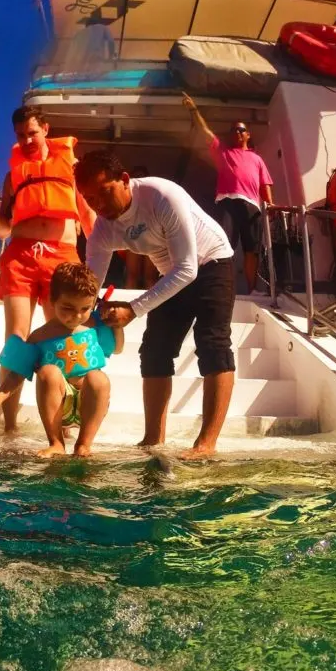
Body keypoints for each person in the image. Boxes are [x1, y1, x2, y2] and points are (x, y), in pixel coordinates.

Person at [74, 150, 236, 458]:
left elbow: (188, 268)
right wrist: (72, 324)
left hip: (212, 261)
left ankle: (206, 444)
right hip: (170, 273)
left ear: (124, 180)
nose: (99, 206)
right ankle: (152, 439)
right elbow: (89, 287)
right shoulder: (104, 229)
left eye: (104, 193)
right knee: (153, 350)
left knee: (213, 343)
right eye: (90, 200)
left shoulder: (161, 195)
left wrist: (134, 309)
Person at [0, 106, 96, 435]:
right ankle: (9, 427)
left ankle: (66, 419)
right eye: (20, 136)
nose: (27, 140)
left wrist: (100, 263)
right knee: (16, 342)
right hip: (21, 257)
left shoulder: (71, 166)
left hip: (63, 257)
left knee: (62, 336)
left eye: (32, 133)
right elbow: (1, 230)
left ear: (45, 129)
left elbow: (90, 219)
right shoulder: (15, 176)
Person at [0, 263, 123, 458]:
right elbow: (18, 372)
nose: (76, 316)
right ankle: (56, 443)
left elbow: (118, 349)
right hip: (59, 405)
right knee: (48, 372)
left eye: (85, 308)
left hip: (91, 402)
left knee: (99, 377)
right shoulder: (39, 336)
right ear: (52, 300)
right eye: (68, 308)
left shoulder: (94, 327)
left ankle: (84, 444)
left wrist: (117, 326)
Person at [182, 92, 273, 293]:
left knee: (252, 250)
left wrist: (270, 204)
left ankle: (252, 289)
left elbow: (265, 184)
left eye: (241, 130)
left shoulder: (257, 159)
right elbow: (205, 131)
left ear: (248, 134)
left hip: (252, 206)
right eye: (233, 130)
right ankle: (223, 288)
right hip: (227, 203)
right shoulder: (222, 151)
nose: (237, 132)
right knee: (224, 249)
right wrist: (193, 109)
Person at [123, 166, 159, 289]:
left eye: (143, 177)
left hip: (152, 238)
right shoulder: (126, 199)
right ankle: (127, 305)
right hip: (134, 237)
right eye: (137, 177)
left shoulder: (153, 196)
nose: (140, 180)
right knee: (132, 276)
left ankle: (154, 308)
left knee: (150, 277)